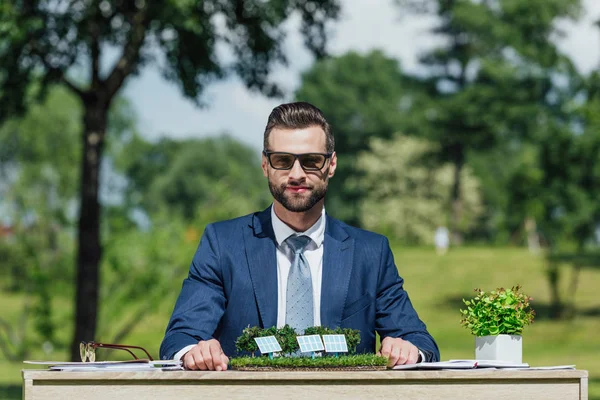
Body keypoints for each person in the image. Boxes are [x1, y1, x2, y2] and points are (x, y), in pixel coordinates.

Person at [159, 102, 439, 370]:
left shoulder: (371, 252)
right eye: (282, 160)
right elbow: (180, 338)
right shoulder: (222, 244)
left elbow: (421, 342)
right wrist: (194, 352)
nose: (296, 174)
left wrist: (408, 348)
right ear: (265, 165)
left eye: (311, 161)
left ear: (331, 165)